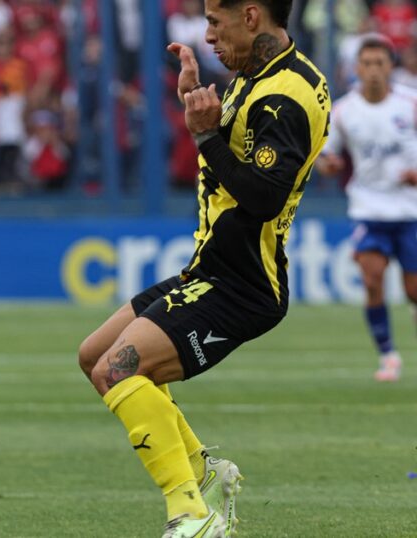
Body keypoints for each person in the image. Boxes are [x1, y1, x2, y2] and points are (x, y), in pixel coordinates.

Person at [76, 1, 329, 536]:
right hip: (210, 268)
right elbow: (235, 144)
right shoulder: (258, 74)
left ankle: (190, 511)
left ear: (253, 16)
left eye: (216, 21)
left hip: (242, 283)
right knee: (94, 355)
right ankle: (206, 473)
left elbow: (261, 196)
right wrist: (196, 100)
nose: (208, 33)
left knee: (117, 371)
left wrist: (204, 135)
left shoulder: (285, 97)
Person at [316, 36, 417, 382]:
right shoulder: (343, 111)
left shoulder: (411, 104)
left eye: (380, 63)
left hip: (410, 210)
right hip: (368, 208)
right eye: (367, 64)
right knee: (372, 280)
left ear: (391, 67)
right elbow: (326, 154)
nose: (373, 71)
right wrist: (327, 165)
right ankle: (388, 355)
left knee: (413, 289)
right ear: (357, 69)